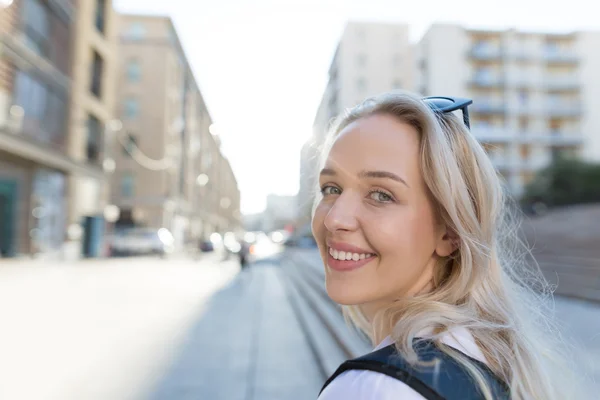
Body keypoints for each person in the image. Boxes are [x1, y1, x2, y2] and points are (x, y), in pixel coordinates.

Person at [311, 92, 582, 399]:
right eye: (331, 189)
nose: (335, 219)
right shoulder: (491, 357)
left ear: (450, 231)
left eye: (381, 194)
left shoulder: (374, 389)